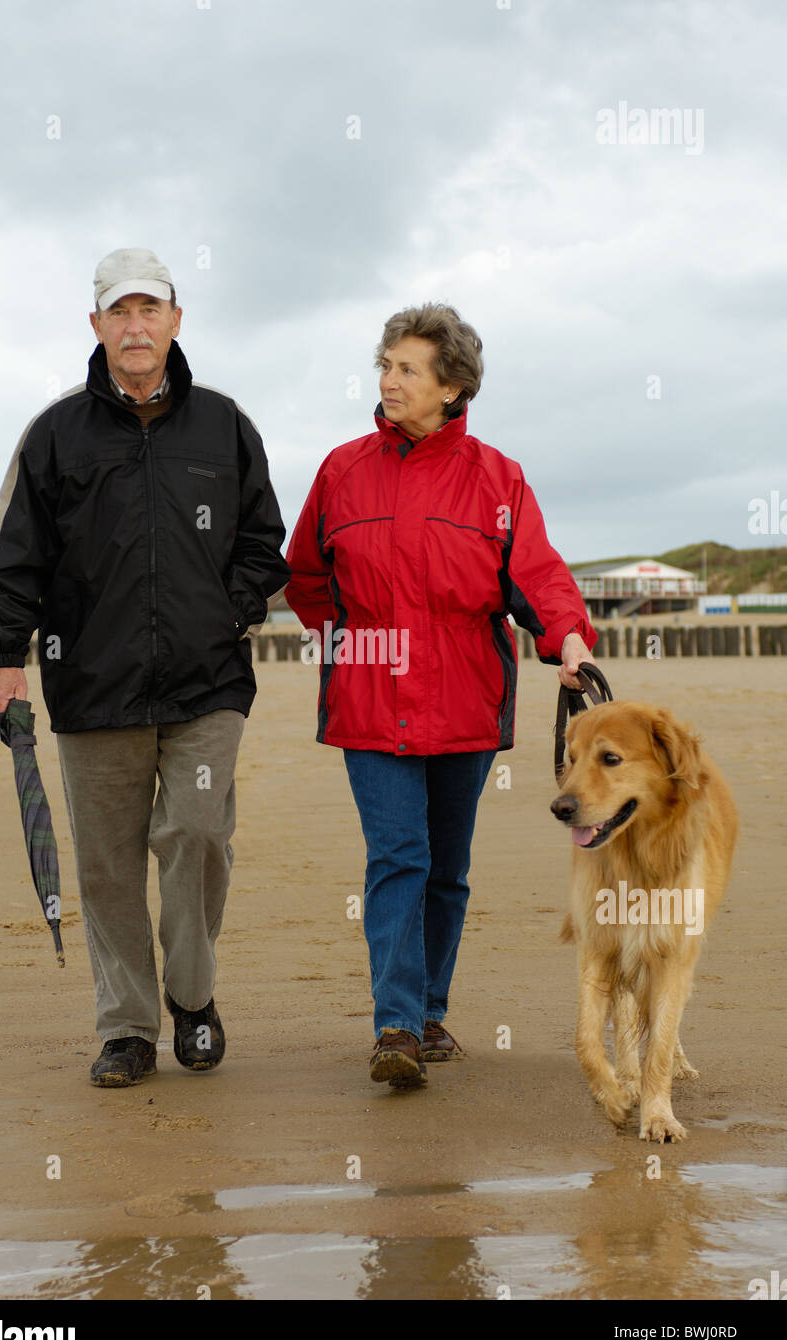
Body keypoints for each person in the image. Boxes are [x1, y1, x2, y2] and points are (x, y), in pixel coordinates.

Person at [0, 248, 290, 1087]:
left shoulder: (224, 424)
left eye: (150, 310)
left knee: (194, 834)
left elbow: (263, 542)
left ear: (177, 321)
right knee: (108, 865)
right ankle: (126, 1028)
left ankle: (193, 1000)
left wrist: (234, 611)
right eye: (120, 311)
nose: (135, 325)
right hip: (92, 685)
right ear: (97, 326)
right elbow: (17, 559)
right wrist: (6, 657)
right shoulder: (54, 432)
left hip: (208, 685)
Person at [285, 303, 597, 1089]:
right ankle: (393, 1025)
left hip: (465, 702)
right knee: (399, 855)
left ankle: (428, 1010)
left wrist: (566, 638)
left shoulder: (497, 479)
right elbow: (305, 577)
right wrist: (351, 644)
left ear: (452, 388)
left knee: (447, 869)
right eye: (384, 365)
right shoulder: (341, 468)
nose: (387, 381)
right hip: (368, 702)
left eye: (406, 369)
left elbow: (536, 574)